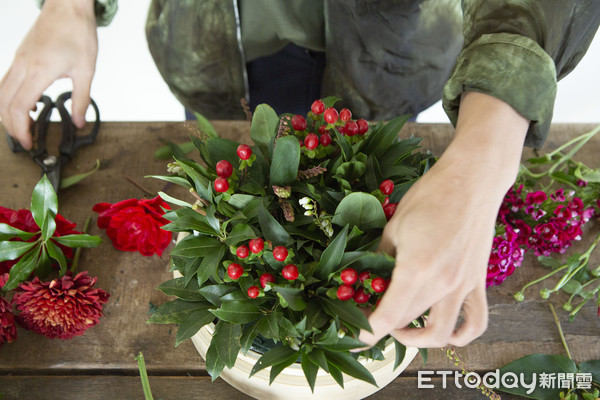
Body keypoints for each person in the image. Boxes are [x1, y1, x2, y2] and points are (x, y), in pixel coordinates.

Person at [1, 0, 599, 350]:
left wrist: (485, 152)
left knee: (367, 188)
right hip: (215, 54)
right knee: (233, 178)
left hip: (392, 57)